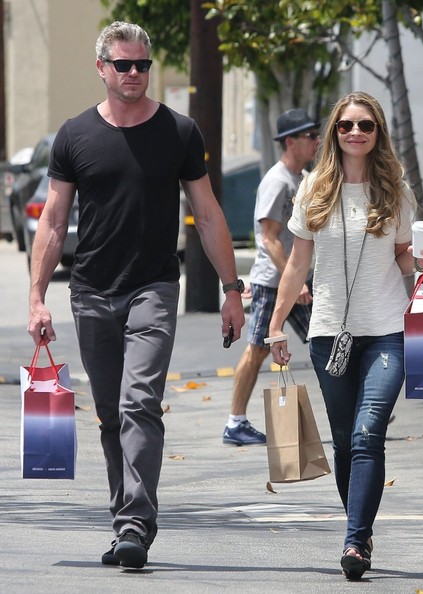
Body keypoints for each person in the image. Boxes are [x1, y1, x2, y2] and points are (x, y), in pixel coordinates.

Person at [27, 21, 245, 569]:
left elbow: (209, 212)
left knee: (138, 403)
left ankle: (134, 525)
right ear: (102, 68)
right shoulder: (75, 135)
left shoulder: (179, 132)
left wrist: (231, 288)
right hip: (91, 290)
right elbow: (53, 221)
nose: (133, 74)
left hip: (153, 286)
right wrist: (36, 298)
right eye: (123, 65)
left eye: (142, 65)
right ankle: (124, 516)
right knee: (108, 415)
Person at [268, 92, 423, 579]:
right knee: (344, 442)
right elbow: (298, 262)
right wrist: (276, 325)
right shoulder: (314, 189)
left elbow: (403, 255)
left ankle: (356, 541)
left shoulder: (395, 190)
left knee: (367, 433)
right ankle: (358, 526)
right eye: (346, 126)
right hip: (328, 334)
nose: (356, 133)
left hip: (387, 329)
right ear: (334, 133)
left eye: (365, 125)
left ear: (378, 132)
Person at [222, 109, 320, 446]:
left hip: (295, 282)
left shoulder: (302, 178)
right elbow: (269, 238)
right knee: (257, 351)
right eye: (309, 136)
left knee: (328, 340)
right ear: (290, 142)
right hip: (273, 283)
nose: (316, 141)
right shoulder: (277, 181)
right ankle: (235, 422)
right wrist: (298, 281)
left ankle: (352, 409)